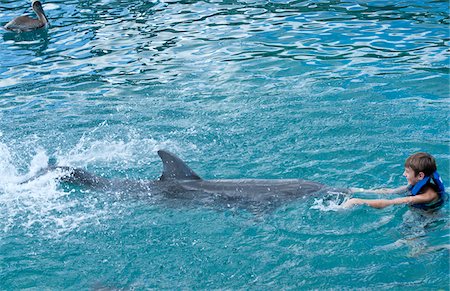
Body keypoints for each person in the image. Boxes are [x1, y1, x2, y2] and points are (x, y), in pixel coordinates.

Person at [343, 152, 447, 210]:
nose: (404, 174)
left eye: (407, 172)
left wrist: (359, 201)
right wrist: (361, 191)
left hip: (426, 221)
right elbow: (391, 192)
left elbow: (390, 202)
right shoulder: (416, 182)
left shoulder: (427, 196)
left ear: (420, 175)